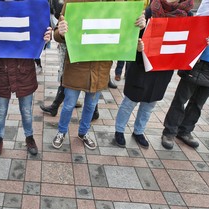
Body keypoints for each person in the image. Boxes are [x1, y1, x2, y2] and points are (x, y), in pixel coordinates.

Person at [53, 0, 145, 150]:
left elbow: (125, 35)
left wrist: (139, 26)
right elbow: (56, 34)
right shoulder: (73, 2)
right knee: (69, 104)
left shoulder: (117, 5)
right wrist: (61, 32)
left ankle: (83, 133)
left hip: (100, 68)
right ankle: (61, 131)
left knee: (90, 105)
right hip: (76, 65)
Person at [0, 8, 52, 158]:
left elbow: (39, 38)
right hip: (2, 72)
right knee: (0, 111)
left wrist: (46, 37)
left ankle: (29, 137)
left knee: (26, 111)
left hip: (24, 72)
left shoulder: (28, 9)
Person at [114, 0, 196, 149]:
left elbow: (191, 40)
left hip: (164, 69)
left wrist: (204, 40)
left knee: (150, 103)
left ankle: (139, 131)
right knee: (130, 101)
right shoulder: (150, 11)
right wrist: (140, 35)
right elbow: (130, 36)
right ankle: (119, 130)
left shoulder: (187, 15)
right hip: (141, 65)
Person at [161, 0, 209, 150]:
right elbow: (201, 24)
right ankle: (169, 131)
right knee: (181, 98)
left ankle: (185, 130)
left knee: (199, 102)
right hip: (199, 56)